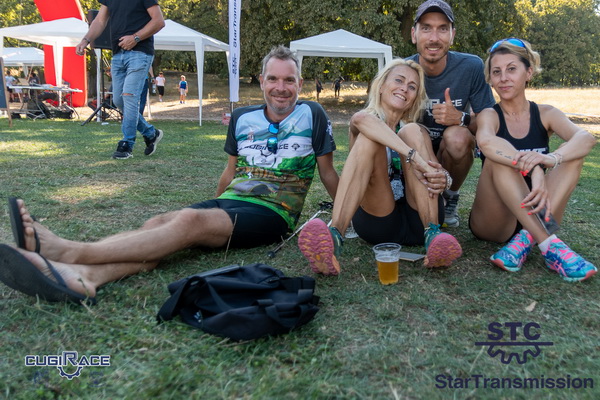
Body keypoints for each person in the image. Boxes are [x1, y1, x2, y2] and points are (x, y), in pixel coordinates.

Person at [0, 45, 339, 304]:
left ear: (300, 84)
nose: (281, 87)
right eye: (274, 79)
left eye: (289, 80)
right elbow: (230, 171)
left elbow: (327, 172)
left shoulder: (312, 114)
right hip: (233, 201)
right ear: (262, 81)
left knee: (188, 223)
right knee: (158, 224)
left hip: (275, 212)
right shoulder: (242, 118)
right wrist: (216, 208)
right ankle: (86, 278)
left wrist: (344, 220)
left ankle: (71, 252)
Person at [298, 58, 462, 276]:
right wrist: (414, 157)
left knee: (411, 130)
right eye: (399, 80)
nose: (404, 88)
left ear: (414, 98)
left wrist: (444, 179)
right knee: (370, 137)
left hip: (420, 218)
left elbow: (436, 170)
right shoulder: (363, 121)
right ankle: (334, 238)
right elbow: (360, 119)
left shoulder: (416, 130)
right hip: (378, 220)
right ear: (382, 86)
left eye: (412, 87)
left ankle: (433, 238)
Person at [470, 38, 597, 282]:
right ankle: (548, 244)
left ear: (528, 72)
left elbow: (586, 138)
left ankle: (528, 238)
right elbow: (485, 142)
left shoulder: (546, 113)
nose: (503, 78)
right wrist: (534, 168)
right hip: (495, 220)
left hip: (539, 210)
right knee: (499, 158)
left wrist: (550, 158)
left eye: (511, 69)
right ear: (490, 79)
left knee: (572, 155)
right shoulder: (489, 115)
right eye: (496, 72)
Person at [407, 0, 495, 228]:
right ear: (414, 34)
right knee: (413, 131)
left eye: (443, 29)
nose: (434, 38)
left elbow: (491, 121)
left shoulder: (471, 66)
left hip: (451, 152)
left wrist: (461, 118)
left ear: (452, 35)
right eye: (426, 28)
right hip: (415, 152)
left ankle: (450, 196)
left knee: (458, 136)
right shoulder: (403, 70)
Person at [75, 0, 165, 160]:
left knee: (129, 97)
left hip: (140, 53)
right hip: (117, 55)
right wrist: (85, 40)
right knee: (118, 100)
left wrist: (135, 38)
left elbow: (158, 21)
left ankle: (127, 144)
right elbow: (100, 20)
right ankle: (150, 133)